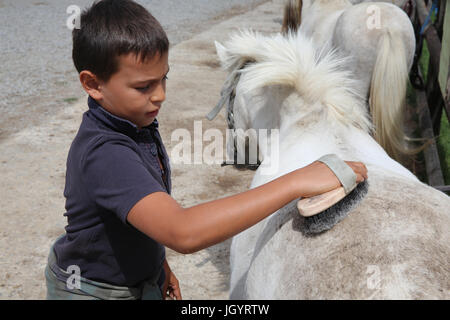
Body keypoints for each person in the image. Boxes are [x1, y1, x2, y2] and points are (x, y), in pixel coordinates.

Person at [45, 0, 368, 300]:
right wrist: (297, 180)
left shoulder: (133, 124)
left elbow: (134, 218)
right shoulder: (107, 154)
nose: (159, 96)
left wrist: (157, 269)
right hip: (96, 291)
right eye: (144, 86)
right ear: (92, 84)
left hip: (137, 281)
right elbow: (183, 232)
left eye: (163, 79)